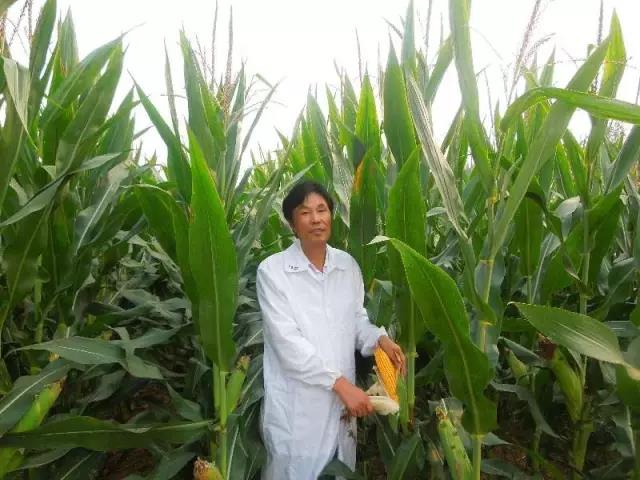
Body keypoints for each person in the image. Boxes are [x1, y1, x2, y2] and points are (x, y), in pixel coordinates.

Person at [256, 180, 406, 480]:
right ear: (292, 224)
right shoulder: (272, 272)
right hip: (299, 410)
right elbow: (288, 345)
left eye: (322, 210)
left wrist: (380, 339)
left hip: (342, 406)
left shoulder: (347, 266)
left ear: (331, 216)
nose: (316, 219)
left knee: (340, 471)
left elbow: (356, 320)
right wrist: (341, 385)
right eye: (305, 212)